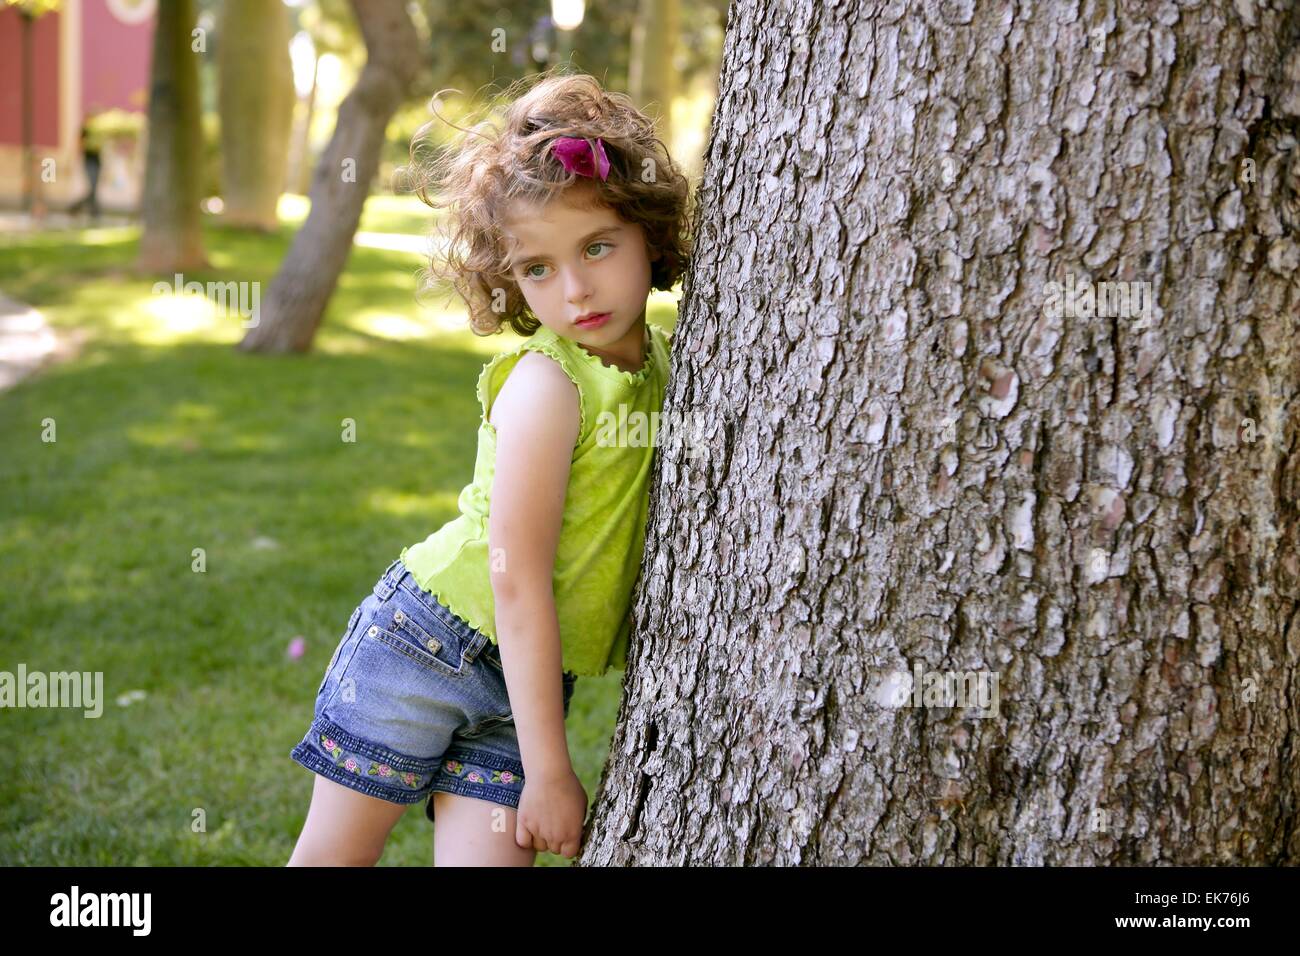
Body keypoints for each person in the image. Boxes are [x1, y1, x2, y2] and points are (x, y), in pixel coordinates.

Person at [287, 69, 693, 866]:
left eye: (598, 247)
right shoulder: (549, 386)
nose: (575, 290)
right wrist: (550, 771)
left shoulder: (668, 363)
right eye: (538, 269)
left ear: (648, 230)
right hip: (427, 648)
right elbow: (516, 576)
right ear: (511, 279)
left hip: (530, 681)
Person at [71, 119, 101, 220]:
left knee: (94, 188)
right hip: (89, 162)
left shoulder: (99, 131)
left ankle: (93, 211)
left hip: (97, 162)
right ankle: (78, 207)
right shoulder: (86, 130)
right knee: (92, 187)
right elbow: (80, 144)